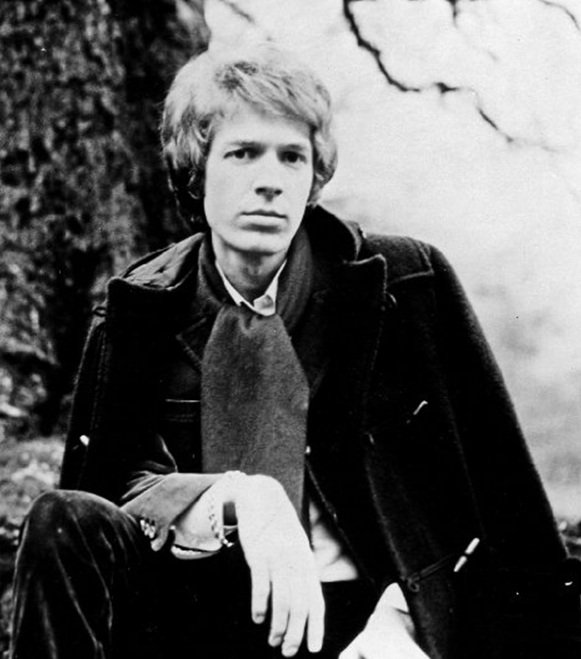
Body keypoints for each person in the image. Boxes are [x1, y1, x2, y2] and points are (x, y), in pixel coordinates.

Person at [9, 43, 581, 659]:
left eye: (292, 157)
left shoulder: (404, 284)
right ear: (197, 171)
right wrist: (239, 498)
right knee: (58, 517)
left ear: (313, 177)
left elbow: (507, 502)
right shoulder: (140, 309)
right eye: (242, 153)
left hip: (366, 629)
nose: (270, 181)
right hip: (190, 625)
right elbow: (103, 506)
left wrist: (411, 620)